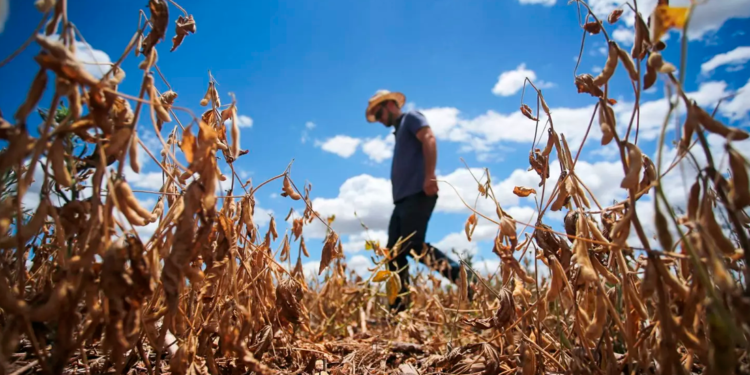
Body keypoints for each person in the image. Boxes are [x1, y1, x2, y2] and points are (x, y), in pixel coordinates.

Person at [365, 89, 473, 313]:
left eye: (380, 113)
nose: (379, 119)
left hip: (418, 193)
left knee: (412, 246)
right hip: (402, 200)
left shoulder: (411, 118)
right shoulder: (398, 133)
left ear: (391, 105)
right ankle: (398, 310)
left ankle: (468, 282)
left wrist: (430, 176)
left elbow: (429, 138)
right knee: (393, 254)